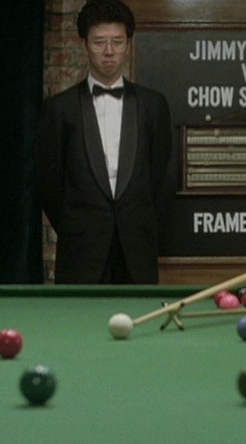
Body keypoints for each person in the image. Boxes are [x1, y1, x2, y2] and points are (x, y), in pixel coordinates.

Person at [35, 0, 175, 284]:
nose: (109, 51)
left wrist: (139, 224)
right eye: (99, 42)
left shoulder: (153, 105)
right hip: (80, 251)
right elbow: (48, 184)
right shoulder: (59, 109)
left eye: (117, 42)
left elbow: (161, 178)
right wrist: (79, 227)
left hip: (138, 249)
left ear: (128, 44)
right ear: (84, 44)